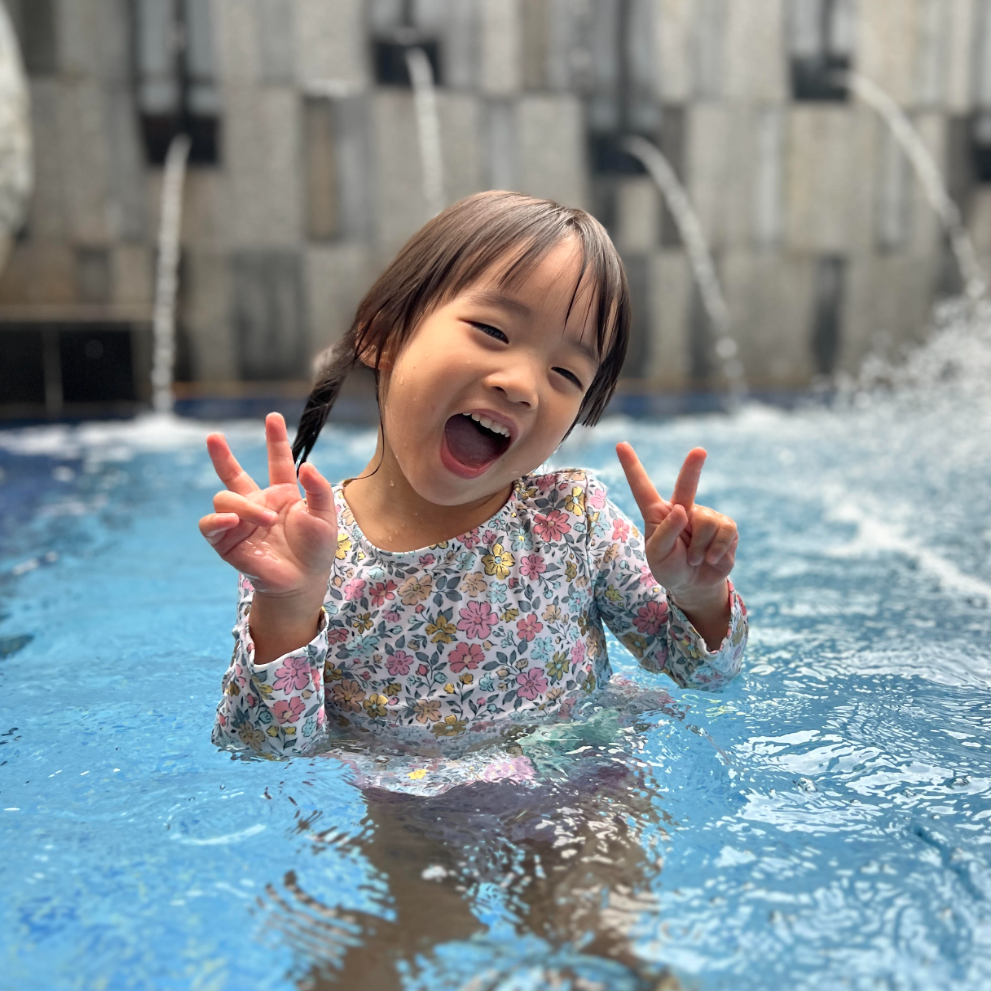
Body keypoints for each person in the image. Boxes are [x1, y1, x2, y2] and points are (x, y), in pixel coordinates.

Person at [199, 191, 747, 985]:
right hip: (410, 806)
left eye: (565, 373)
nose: (523, 384)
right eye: (492, 331)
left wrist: (696, 594)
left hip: (578, 774)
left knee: (598, 938)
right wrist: (286, 603)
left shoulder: (571, 516)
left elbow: (708, 673)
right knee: (391, 956)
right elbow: (264, 747)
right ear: (383, 334)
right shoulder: (309, 545)